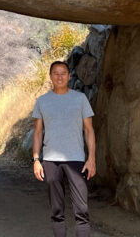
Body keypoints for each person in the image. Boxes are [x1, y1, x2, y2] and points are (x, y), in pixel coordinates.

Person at [32, 60, 96, 237]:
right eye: (55, 73)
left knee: (82, 209)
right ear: (51, 76)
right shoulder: (42, 101)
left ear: (69, 76)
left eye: (63, 73)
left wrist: (91, 159)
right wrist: (36, 160)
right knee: (56, 210)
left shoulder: (80, 99)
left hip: (77, 160)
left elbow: (89, 130)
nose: (59, 76)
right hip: (51, 161)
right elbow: (37, 133)